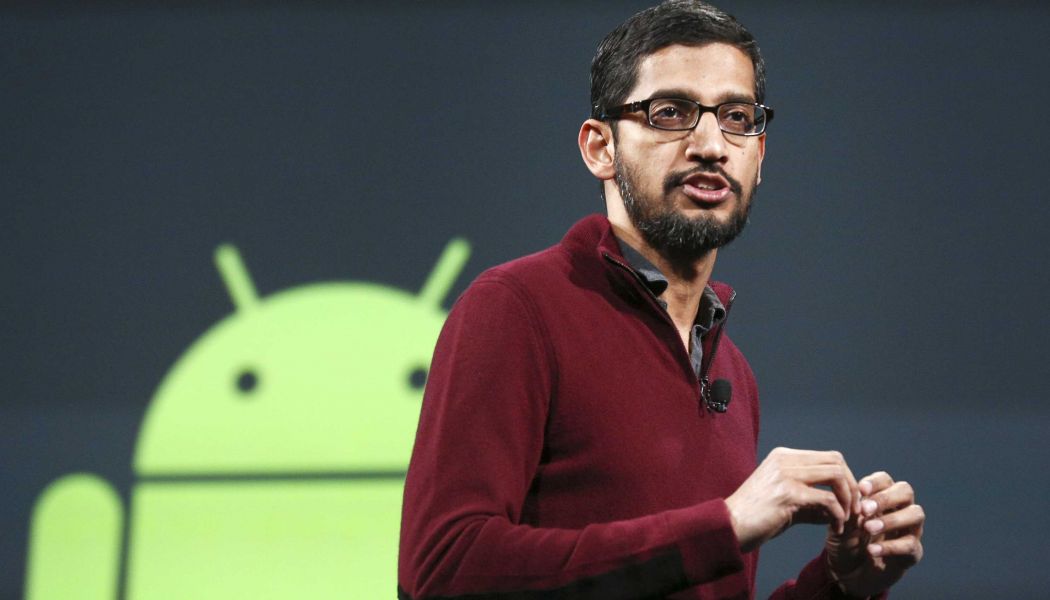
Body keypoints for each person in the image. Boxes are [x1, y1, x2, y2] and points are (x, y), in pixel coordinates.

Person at [397, 1, 925, 598]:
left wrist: (840, 584)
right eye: (671, 112)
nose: (711, 144)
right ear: (600, 148)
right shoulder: (517, 310)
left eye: (737, 117)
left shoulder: (733, 373)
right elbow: (443, 571)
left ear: (759, 155)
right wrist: (725, 525)